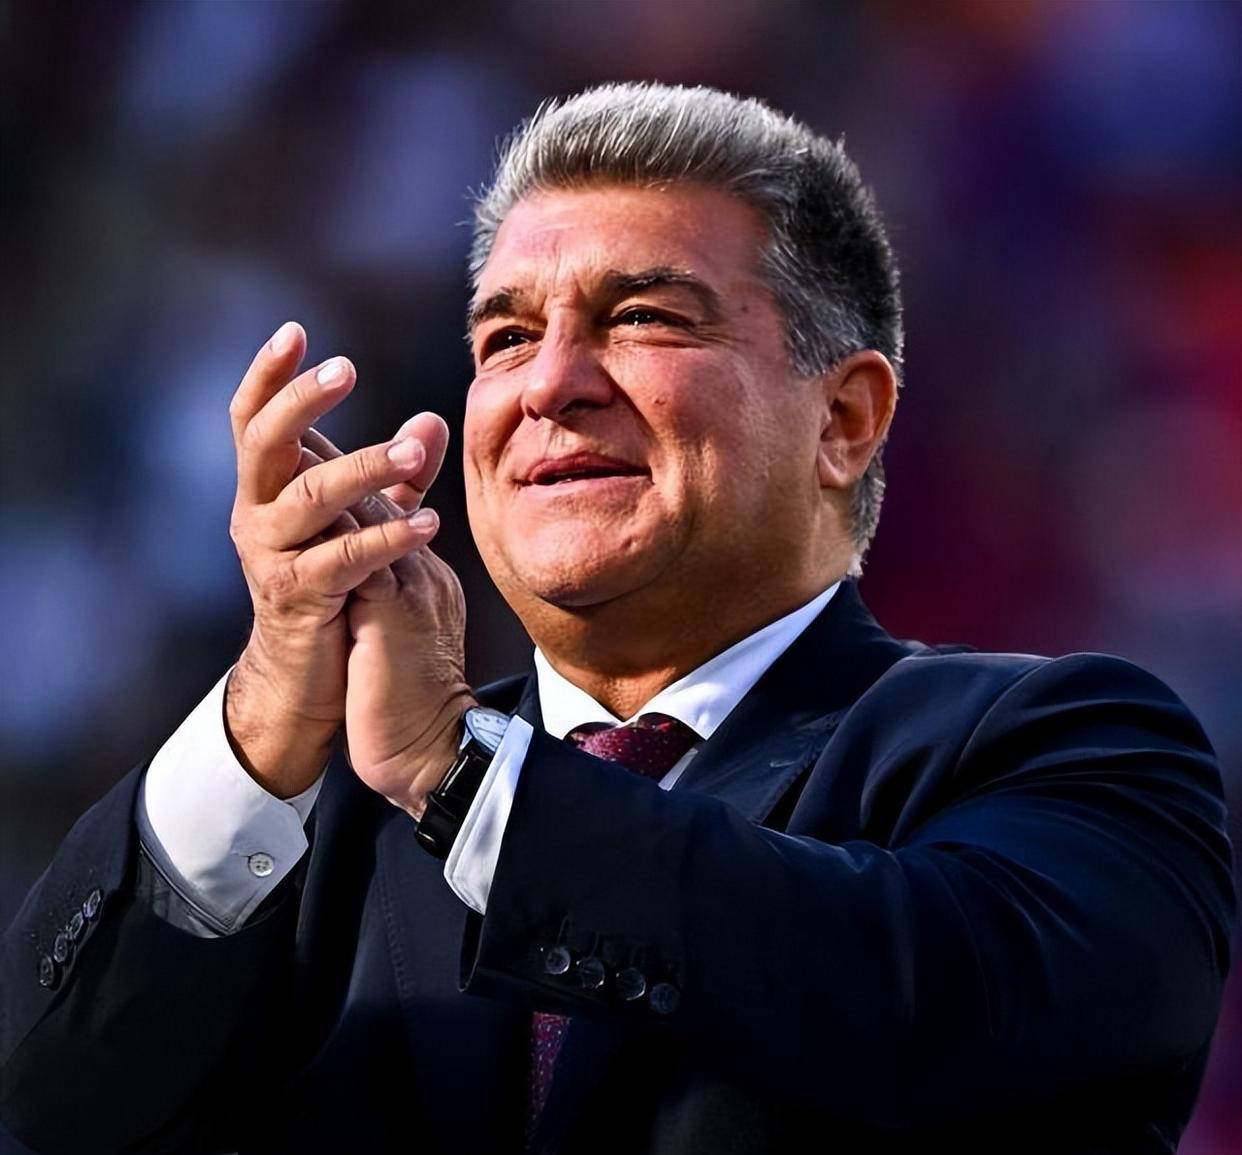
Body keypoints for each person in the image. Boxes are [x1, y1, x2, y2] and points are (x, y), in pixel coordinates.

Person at [0, 83, 1233, 1155]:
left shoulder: (1068, 745)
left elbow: (934, 1011)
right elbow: (57, 1107)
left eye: (644, 316)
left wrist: (459, 774)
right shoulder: (318, 824)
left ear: (845, 420)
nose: (548, 383)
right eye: (506, 336)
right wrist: (266, 714)